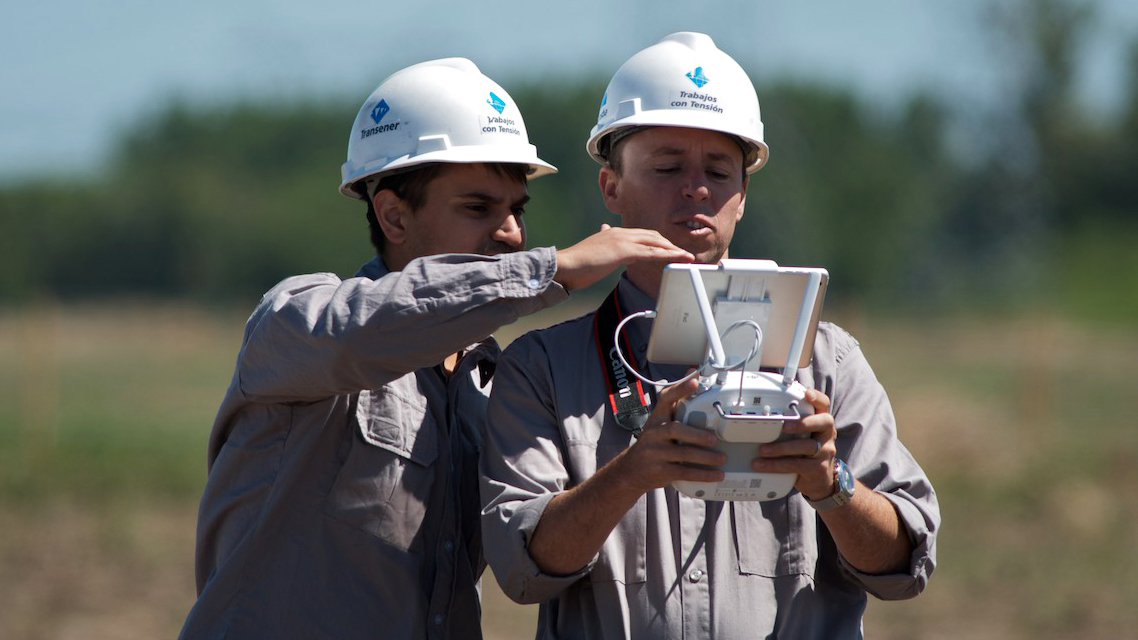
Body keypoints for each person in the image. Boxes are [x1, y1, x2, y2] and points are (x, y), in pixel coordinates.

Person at [177, 58, 694, 640]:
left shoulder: (488, 380)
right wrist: (554, 270)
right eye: (478, 208)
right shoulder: (296, 321)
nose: (511, 234)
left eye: (516, 210)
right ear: (393, 216)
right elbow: (368, 326)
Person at [480, 32, 940, 639]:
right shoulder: (542, 366)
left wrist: (831, 486)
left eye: (719, 171)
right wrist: (634, 470)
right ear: (610, 186)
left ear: (743, 196)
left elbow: (904, 566)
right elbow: (522, 570)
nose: (695, 188)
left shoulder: (825, 360)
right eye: (668, 167)